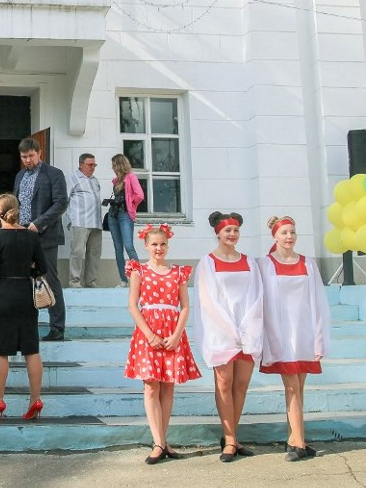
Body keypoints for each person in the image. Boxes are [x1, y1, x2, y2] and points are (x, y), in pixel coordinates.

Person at [125, 223, 201, 464]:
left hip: (171, 332)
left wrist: (177, 334)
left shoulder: (178, 272)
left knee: (168, 386)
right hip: (148, 333)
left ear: (168, 245)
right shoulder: (139, 271)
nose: (159, 248)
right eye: (154, 244)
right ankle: (158, 442)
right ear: (146, 246)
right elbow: (133, 305)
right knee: (151, 386)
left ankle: (162, 440)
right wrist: (149, 334)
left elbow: (185, 306)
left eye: (163, 244)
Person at [257, 215, 331, 462]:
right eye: (284, 233)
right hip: (281, 334)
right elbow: (264, 304)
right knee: (291, 386)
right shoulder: (265, 264)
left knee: (299, 387)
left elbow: (317, 301)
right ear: (275, 236)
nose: (289, 237)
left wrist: (319, 338)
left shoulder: (308, 263)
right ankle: (299, 444)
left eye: (292, 232)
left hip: (303, 333)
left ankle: (294, 439)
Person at [0, 138, 69, 340]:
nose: (27, 160)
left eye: (31, 156)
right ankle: (28, 325)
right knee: (23, 282)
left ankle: (57, 328)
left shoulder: (54, 174)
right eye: (24, 157)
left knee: (49, 280)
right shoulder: (20, 175)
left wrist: (39, 223)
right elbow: (14, 203)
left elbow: (61, 203)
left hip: (44, 235)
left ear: (39, 153)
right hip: (21, 234)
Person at [196, 211, 264, 463]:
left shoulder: (249, 262)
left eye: (235, 230)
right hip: (221, 332)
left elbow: (256, 297)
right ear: (218, 232)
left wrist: (246, 328)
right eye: (228, 230)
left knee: (241, 385)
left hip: (247, 332)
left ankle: (232, 437)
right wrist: (229, 329)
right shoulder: (208, 262)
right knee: (223, 384)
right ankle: (230, 438)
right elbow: (208, 300)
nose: (232, 234)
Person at [0, 193, 48, 422]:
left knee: (1, 352)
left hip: (2, 294)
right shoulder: (31, 237)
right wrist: (28, 269)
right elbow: (42, 268)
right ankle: (35, 400)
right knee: (32, 349)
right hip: (26, 295)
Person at [66, 153, 103, 288]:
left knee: (94, 253)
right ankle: (74, 282)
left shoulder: (94, 180)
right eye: (90, 165)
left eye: (94, 165)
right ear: (81, 165)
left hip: (95, 222)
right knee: (77, 252)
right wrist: (70, 219)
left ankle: (91, 282)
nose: (92, 167)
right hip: (80, 221)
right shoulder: (73, 178)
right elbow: (64, 199)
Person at [108, 154, 144, 287]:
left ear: (120, 164)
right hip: (113, 215)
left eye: (114, 164)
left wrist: (130, 203)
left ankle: (139, 278)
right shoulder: (116, 180)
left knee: (129, 246)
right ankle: (123, 280)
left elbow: (139, 195)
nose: (112, 167)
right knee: (118, 249)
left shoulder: (131, 177)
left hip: (125, 214)